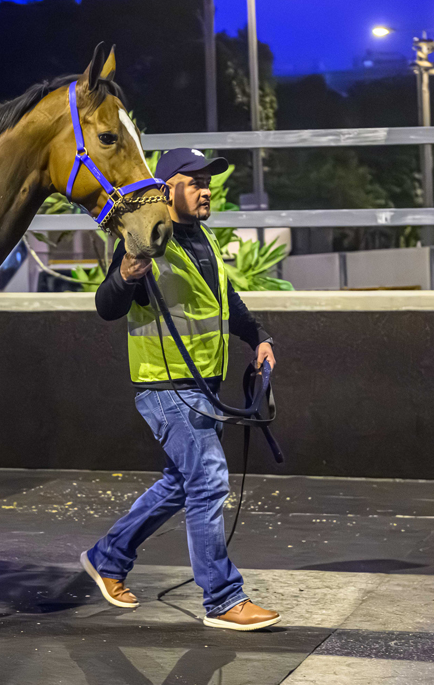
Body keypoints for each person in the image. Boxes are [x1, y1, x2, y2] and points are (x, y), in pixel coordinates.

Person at [81, 148, 281, 631]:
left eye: (207, 180)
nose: (206, 188)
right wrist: (127, 275)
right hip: (165, 385)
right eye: (194, 181)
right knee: (209, 479)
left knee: (180, 482)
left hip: (204, 385)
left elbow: (225, 301)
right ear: (167, 188)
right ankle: (222, 598)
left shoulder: (204, 239)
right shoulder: (146, 238)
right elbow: (107, 305)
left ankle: (107, 558)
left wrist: (259, 338)